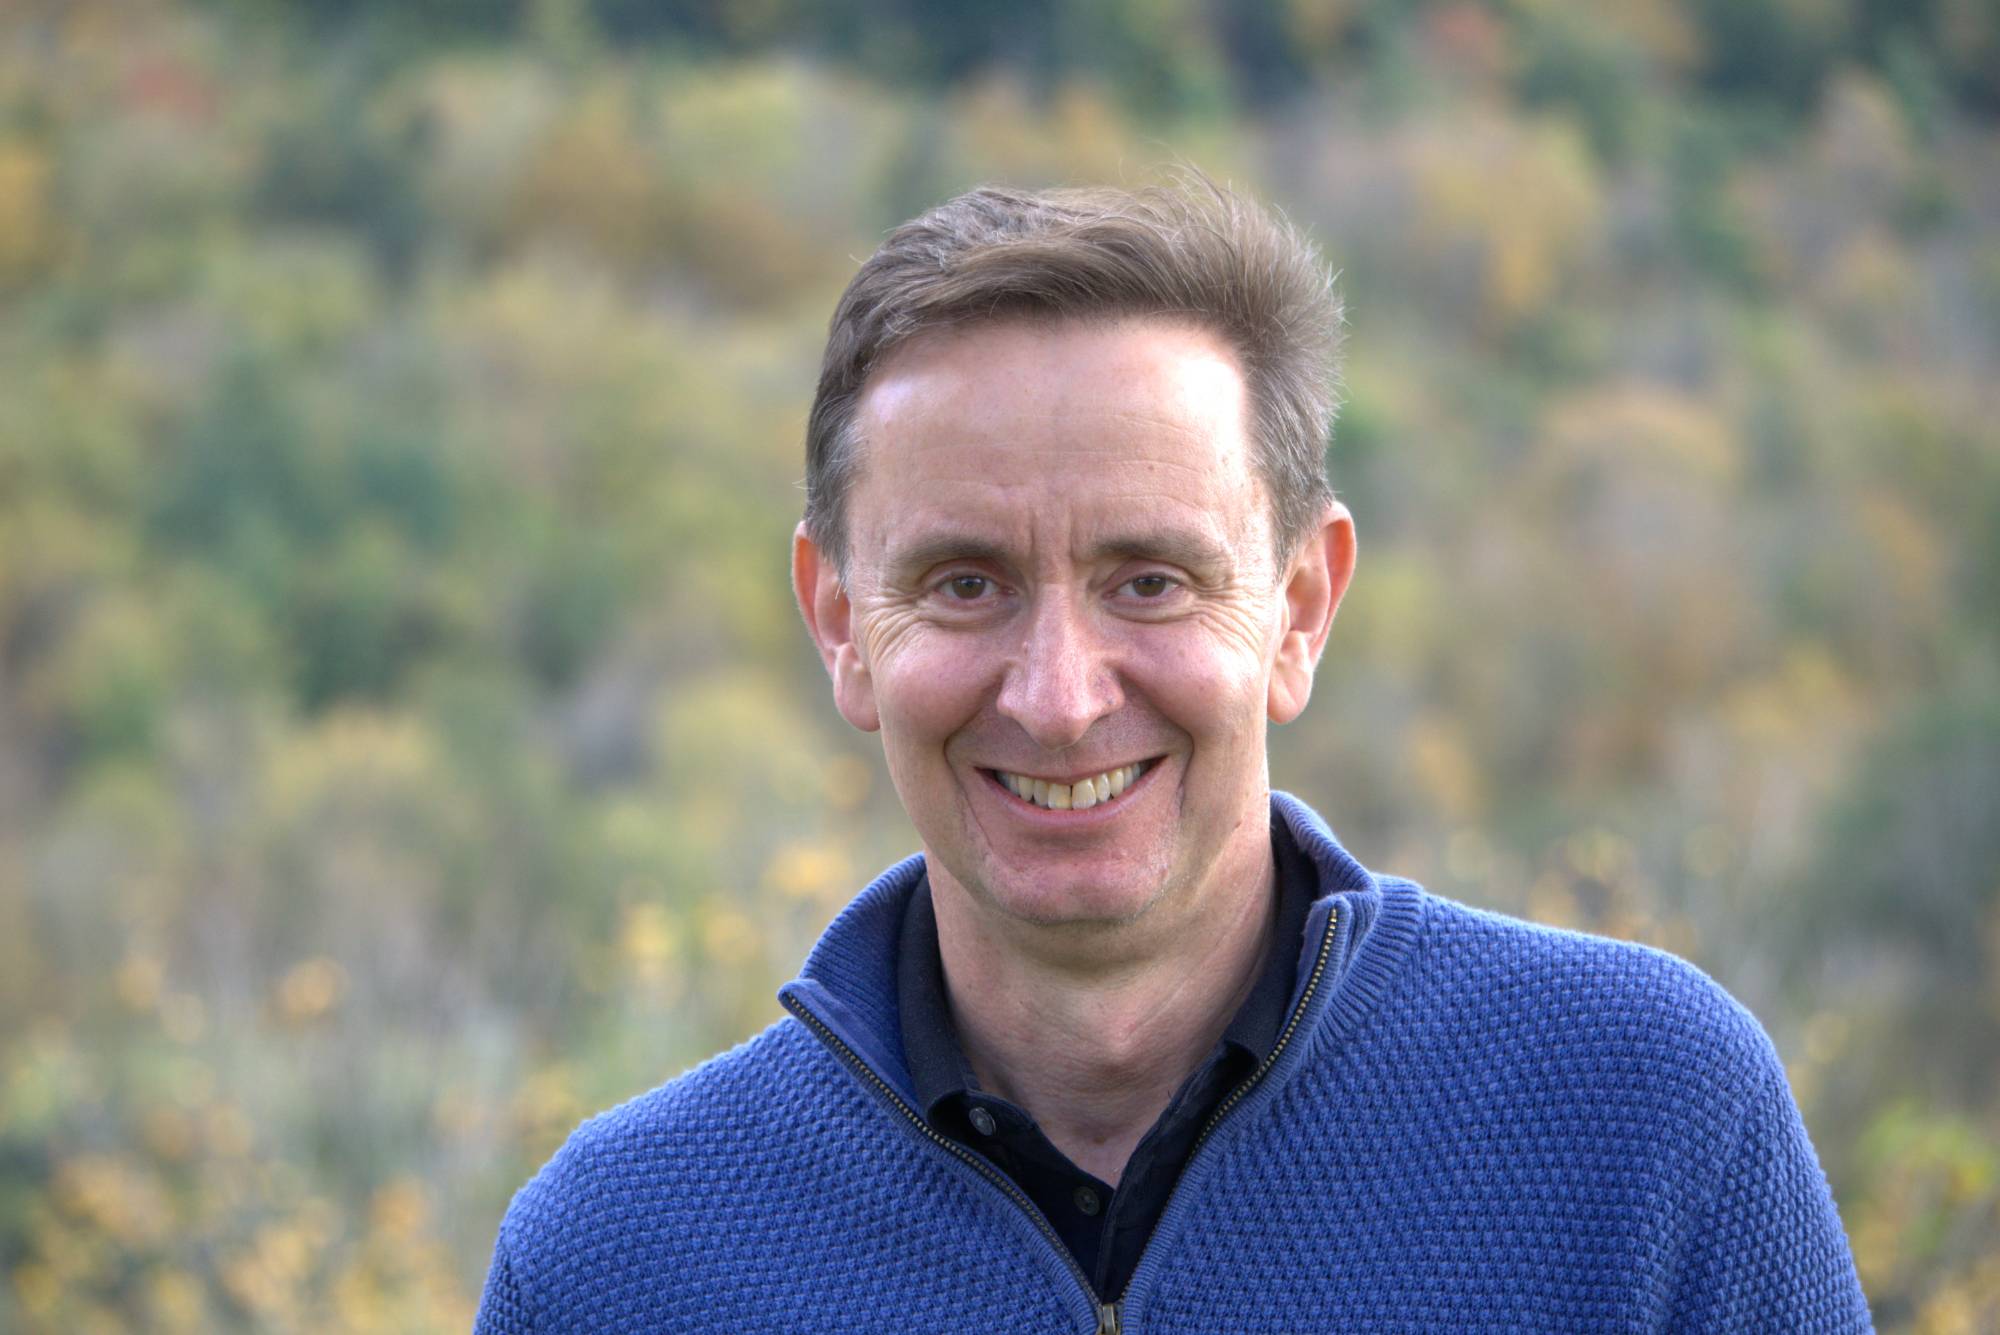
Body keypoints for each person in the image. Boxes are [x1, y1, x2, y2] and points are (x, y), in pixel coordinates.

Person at [475, 178, 1870, 1333]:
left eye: (1150, 580)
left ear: (1300, 607)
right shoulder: (618, 1259)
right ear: (841, 624)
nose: (1062, 697)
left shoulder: (1645, 1125)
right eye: (965, 583)